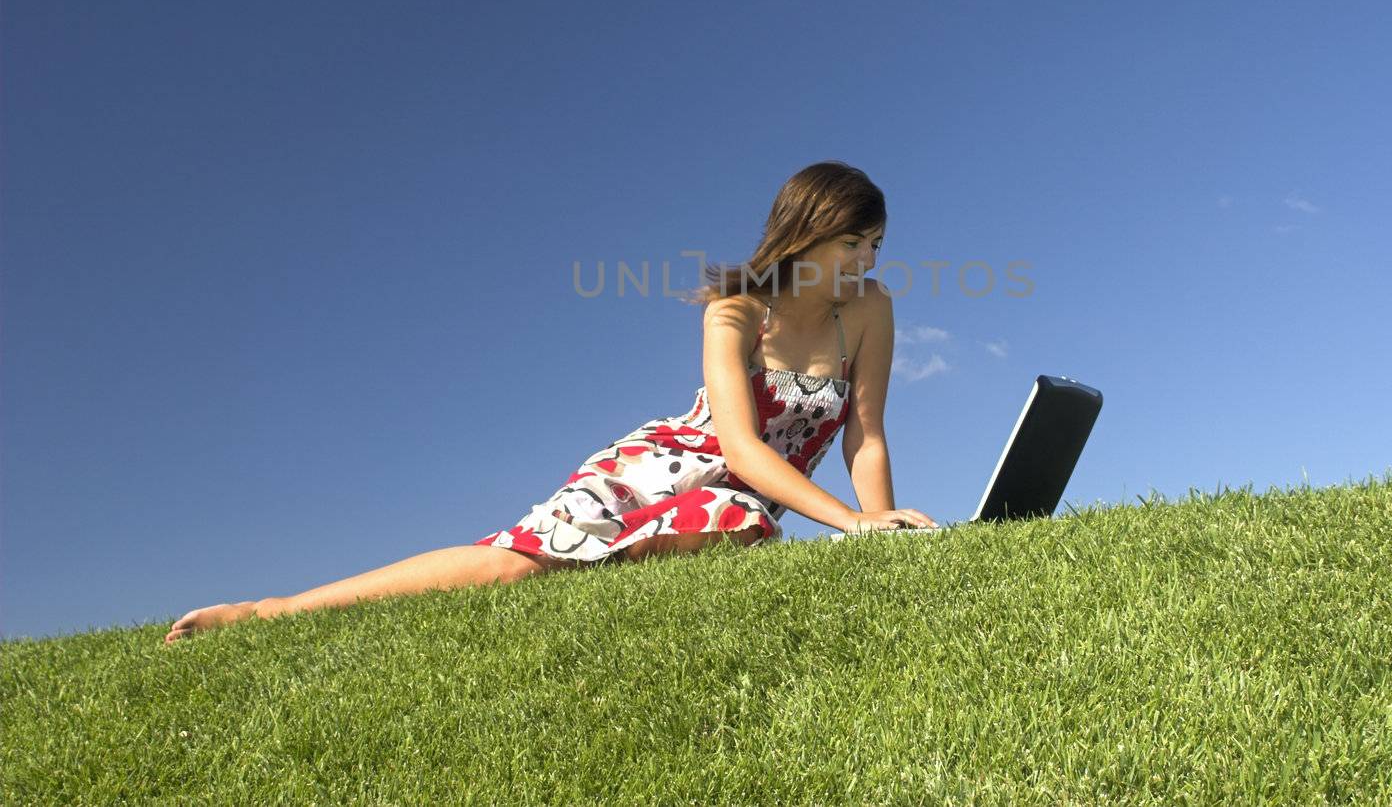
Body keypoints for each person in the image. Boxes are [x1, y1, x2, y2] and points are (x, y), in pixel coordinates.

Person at [163, 160, 934, 644]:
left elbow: (865, 435)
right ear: (803, 236)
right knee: (513, 570)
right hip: (663, 465)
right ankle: (270, 611)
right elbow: (737, 449)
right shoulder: (734, 313)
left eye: (876, 246)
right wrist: (853, 524)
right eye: (851, 244)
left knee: (739, 519)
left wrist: (882, 531)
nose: (865, 261)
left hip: (746, 501)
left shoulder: (869, 309)